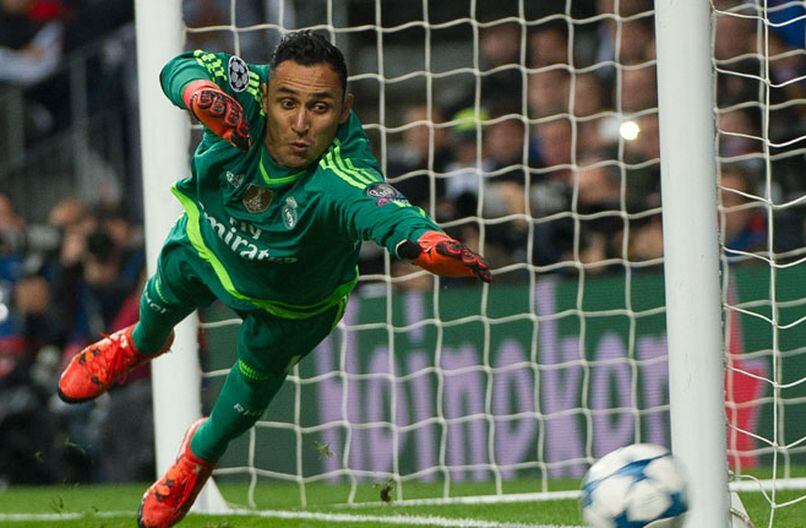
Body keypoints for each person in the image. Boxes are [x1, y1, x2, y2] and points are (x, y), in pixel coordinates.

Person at [56, 30, 490, 528]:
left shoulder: (342, 170)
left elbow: (386, 212)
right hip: (211, 246)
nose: (301, 124)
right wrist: (199, 93)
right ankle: (138, 344)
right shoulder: (243, 92)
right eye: (288, 104)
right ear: (266, 95)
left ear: (344, 109)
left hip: (291, 304)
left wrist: (427, 243)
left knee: (240, 408)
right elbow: (177, 68)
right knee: (158, 303)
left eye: (320, 109)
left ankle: (197, 455)